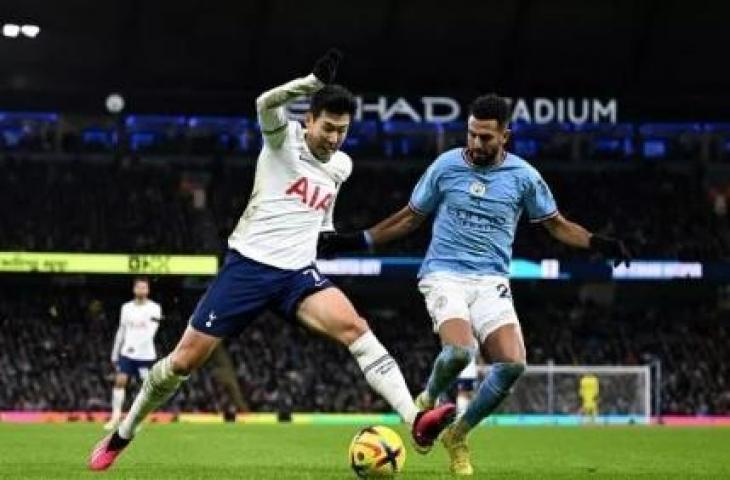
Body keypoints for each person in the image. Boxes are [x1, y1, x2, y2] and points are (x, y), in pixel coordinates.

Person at [89, 49, 454, 471]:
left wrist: (336, 237)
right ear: (308, 121)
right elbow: (265, 102)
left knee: (357, 328)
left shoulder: (342, 165)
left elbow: (323, 214)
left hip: (298, 275)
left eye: (343, 130)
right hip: (247, 268)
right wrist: (311, 84)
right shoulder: (282, 140)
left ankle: (416, 420)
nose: (335, 138)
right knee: (182, 362)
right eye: (328, 128)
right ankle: (122, 435)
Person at [318, 93, 632, 475]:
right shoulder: (446, 167)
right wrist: (357, 241)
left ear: (505, 136)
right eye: (472, 135)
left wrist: (598, 243)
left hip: (491, 280)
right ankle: (427, 400)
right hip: (443, 274)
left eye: (486, 137)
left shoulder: (524, 177)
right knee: (460, 352)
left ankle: (458, 435)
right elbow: (408, 218)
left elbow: (557, 225)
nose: (476, 144)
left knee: (513, 364)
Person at [105, 277, 162, 431]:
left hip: (145, 355)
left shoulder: (154, 308)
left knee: (146, 387)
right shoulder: (126, 308)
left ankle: (137, 419)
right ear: (134, 289)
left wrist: (135, 347)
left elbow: (151, 332)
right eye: (139, 287)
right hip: (127, 353)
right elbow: (122, 330)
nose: (142, 290)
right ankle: (115, 418)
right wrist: (115, 352)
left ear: (148, 290)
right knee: (120, 381)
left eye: (144, 288)